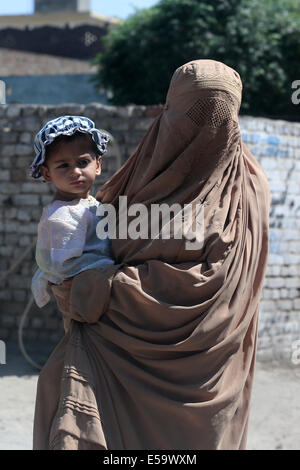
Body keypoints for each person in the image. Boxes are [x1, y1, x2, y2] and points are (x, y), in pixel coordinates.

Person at [33, 59, 270, 450]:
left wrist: (102, 285)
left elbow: (222, 281)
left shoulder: (248, 187)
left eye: (218, 114)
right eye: (193, 112)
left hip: (207, 368)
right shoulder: (143, 172)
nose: (204, 125)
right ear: (169, 109)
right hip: (110, 354)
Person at [29, 116, 114, 327]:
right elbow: (63, 265)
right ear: (46, 174)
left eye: (83, 162)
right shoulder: (62, 215)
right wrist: (111, 270)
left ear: (98, 165)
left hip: (89, 289)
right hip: (78, 293)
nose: (75, 172)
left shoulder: (89, 203)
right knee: (85, 346)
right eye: (64, 165)